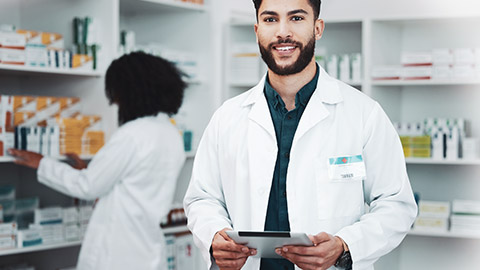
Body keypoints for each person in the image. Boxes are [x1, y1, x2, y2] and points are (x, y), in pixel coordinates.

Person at [183, 0, 417, 269]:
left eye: (296, 18)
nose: (283, 32)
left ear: (317, 28)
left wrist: (344, 245)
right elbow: (202, 197)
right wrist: (214, 236)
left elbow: (396, 205)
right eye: (271, 20)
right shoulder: (227, 117)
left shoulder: (364, 114)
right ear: (257, 30)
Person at [8, 52, 187, 270]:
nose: (115, 101)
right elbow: (133, 182)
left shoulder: (132, 134)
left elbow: (88, 186)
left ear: (130, 91)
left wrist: (42, 162)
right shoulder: (169, 133)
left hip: (117, 253)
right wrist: (90, 170)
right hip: (147, 249)